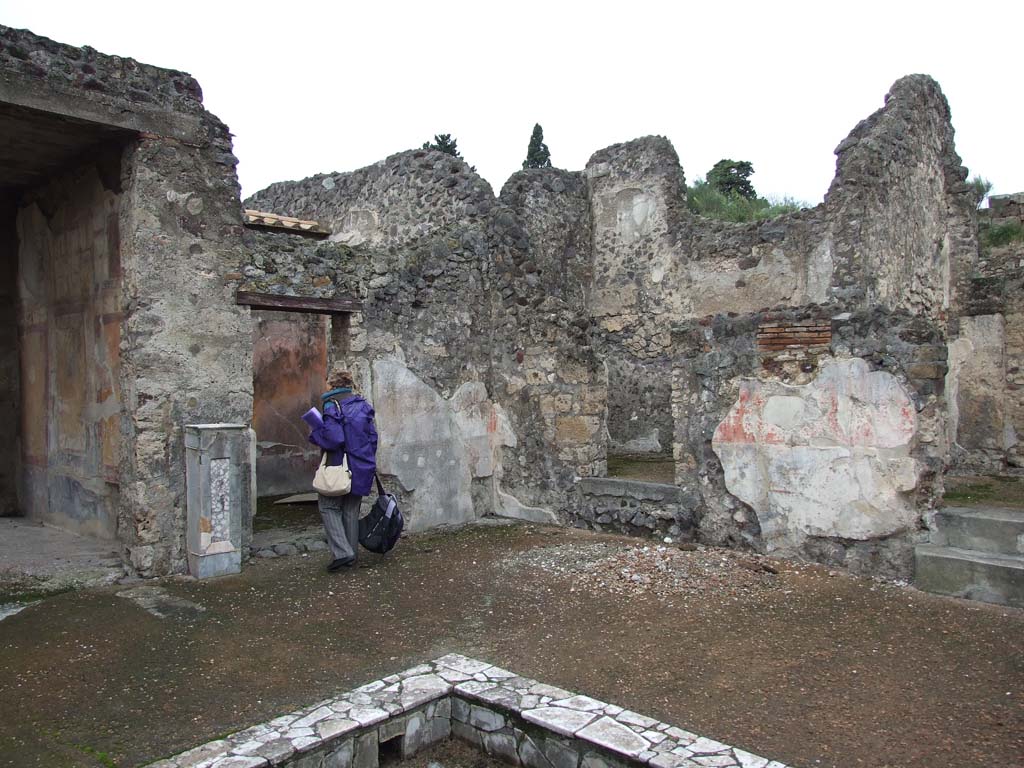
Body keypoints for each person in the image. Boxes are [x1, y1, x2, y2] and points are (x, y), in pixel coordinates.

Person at [308, 369, 378, 571]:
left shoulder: (332, 405)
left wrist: (316, 432)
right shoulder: (363, 405)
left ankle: (342, 552)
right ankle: (352, 555)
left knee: (328, 506)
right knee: (350, 509)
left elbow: (334, 439)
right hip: (362, 463)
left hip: (339, 464)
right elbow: (373, 437)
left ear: (332, 385)